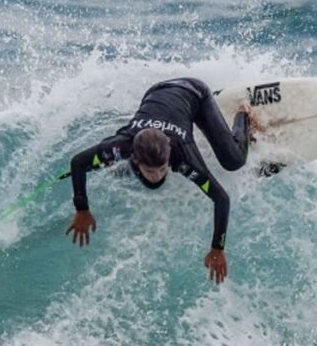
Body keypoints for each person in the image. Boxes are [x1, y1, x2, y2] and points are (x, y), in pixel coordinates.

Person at [65, 77, 252, 284]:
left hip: (194, 93)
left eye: (162, 169)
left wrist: (217, 248)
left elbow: (221, 198)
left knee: (233, 161)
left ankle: (243, 113)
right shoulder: (121, 146)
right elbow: (78, 162)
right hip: (155, 92)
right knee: (111, 165)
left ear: (168, 159)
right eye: (151, 170)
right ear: (135, 158)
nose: (158, 176)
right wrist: (82, 208)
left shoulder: (183, 156)